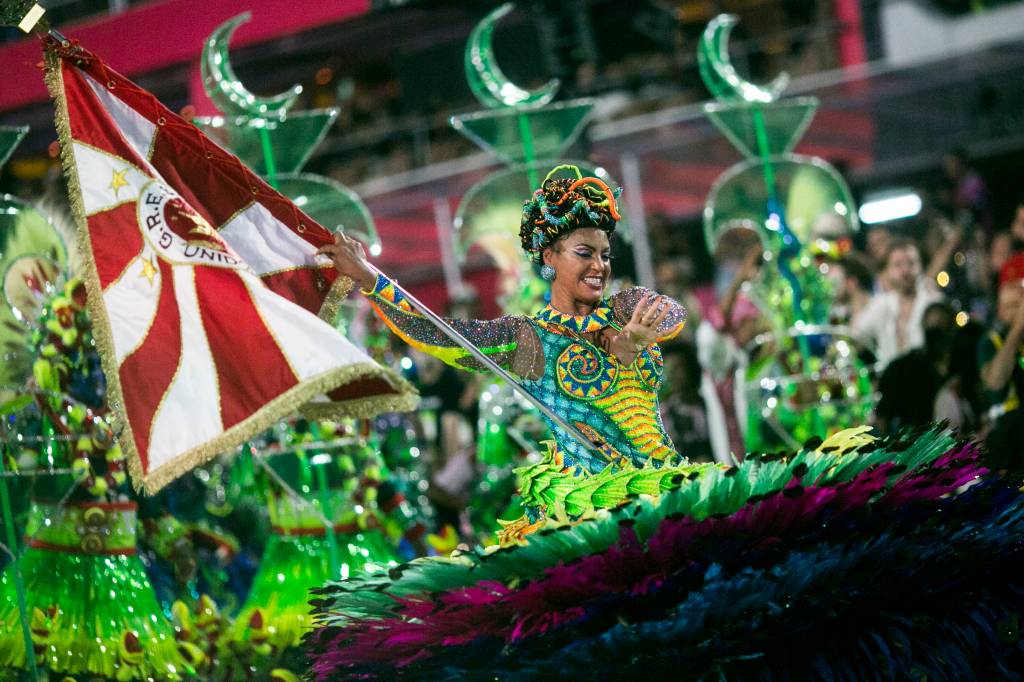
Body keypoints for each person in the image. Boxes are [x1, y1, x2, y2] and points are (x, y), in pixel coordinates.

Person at [317, 165, 688, 486]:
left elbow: (673, 312)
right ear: (549, 257)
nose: (600, 266)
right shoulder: (528, 337)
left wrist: (635, 337)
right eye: (584, 253)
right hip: (599, 501)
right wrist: (370, 279)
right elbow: (433, 332)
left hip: (667, 479)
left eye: (605, 254)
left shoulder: (623, 306)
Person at [853, 238, 946, 370]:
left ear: (921, 266)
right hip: (889, 383)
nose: (905, 271)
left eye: (911, 263)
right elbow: (856, 337)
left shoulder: (934, 303)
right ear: (887, 270)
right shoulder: (880, 304)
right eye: (898, 265)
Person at [874, 301, 956, 434]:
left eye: (941, 329)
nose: (937, 338)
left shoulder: (959, 368)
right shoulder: (900, 369)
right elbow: (883, 418)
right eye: (933, 331)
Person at [977, 254, 1024, 470]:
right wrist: (1017, 330)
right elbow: (995, 382)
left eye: (1019, 305)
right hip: (1009, 437)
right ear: (999, 310)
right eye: (1010, 306)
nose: (1017, 312)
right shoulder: (990, 342)